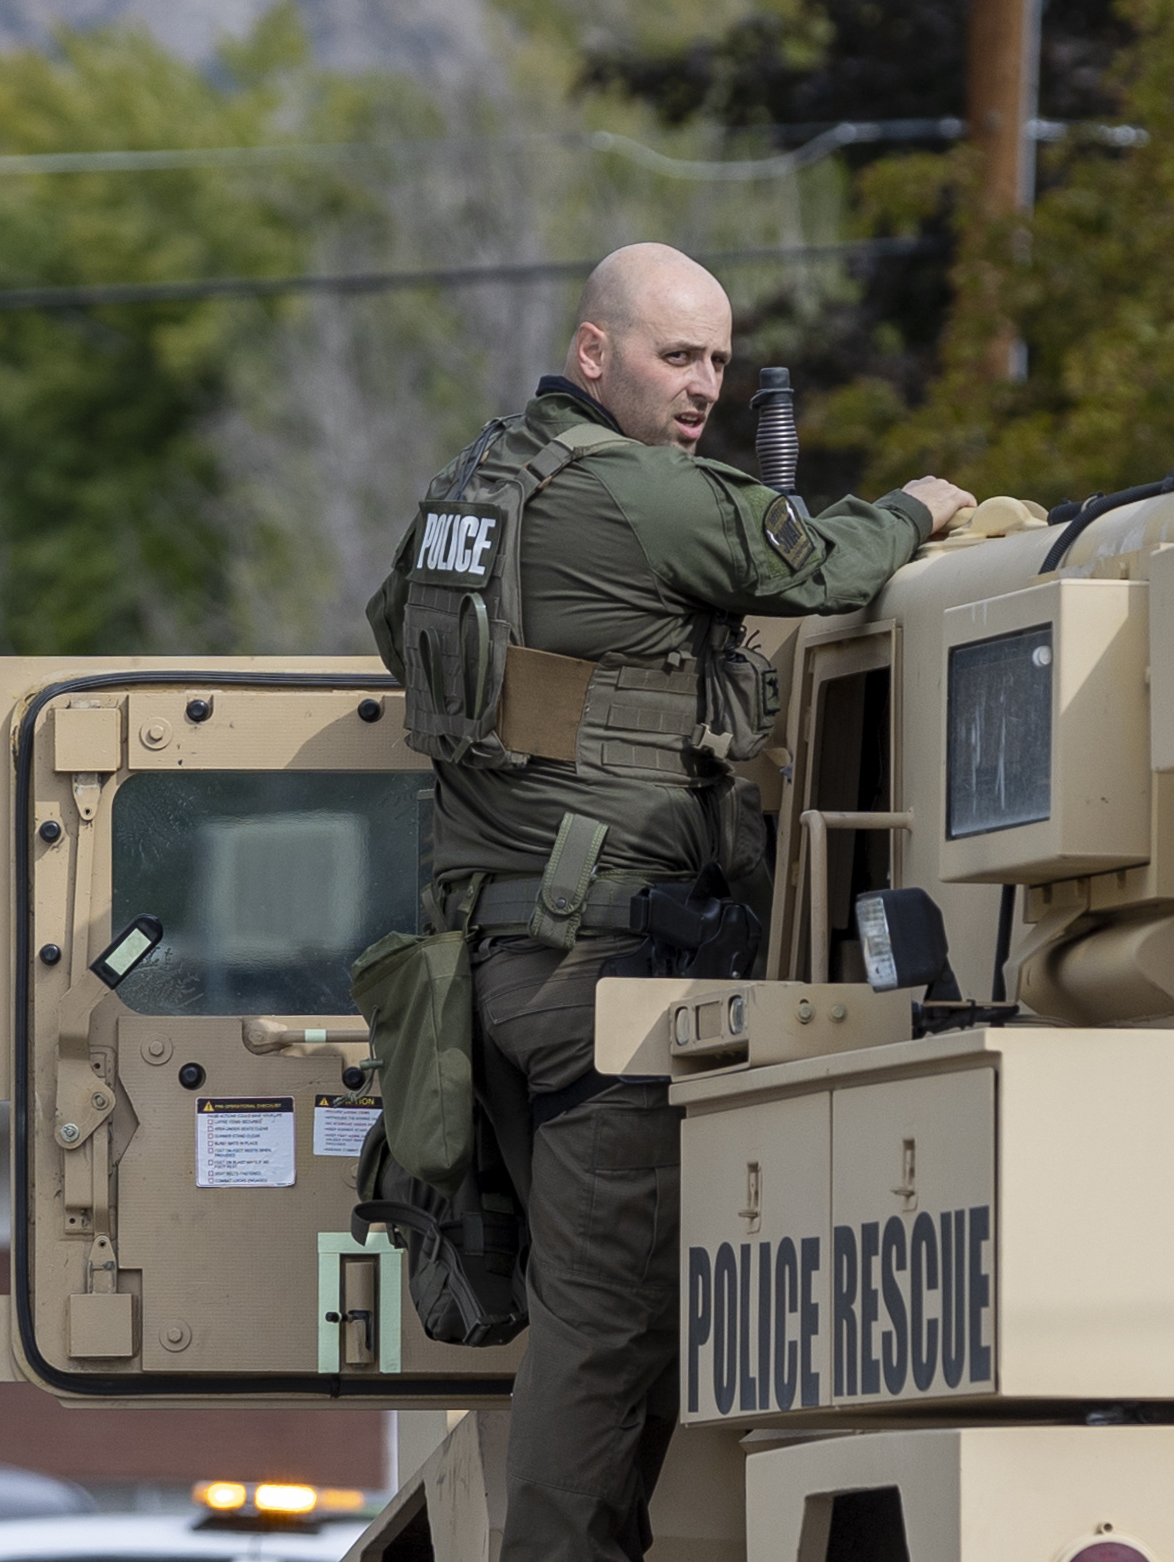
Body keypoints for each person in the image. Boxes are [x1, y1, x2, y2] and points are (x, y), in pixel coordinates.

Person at [367, 243, 971, 1562]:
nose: (704, 387)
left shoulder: (465, 494)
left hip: (491, 970)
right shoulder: (639, 494)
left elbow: (395, 633)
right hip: (603, 987)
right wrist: (923, 506)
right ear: (594, 354)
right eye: (676, 356)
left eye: (717, 362)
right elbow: (818, 568)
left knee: (584, 1308)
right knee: (608, 1325)